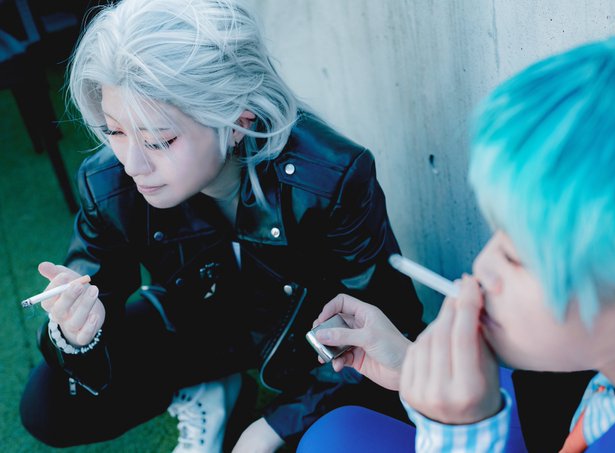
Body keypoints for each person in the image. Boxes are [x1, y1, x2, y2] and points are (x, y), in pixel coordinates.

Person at [18, 0, 425, 452]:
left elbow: (392, 321)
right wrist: (75, 334)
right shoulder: (107, 181)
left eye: (158, 140)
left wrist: (270, 428)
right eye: (114, 131)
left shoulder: (331, 176)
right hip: (196, 323)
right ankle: (210, 389)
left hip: (303, 346)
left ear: (236, 122)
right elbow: (94, 287)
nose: (132, 164)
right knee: (47, 405)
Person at [298, 9, 615, 452]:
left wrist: (461, 435)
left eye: (517, 257)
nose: (482, 266)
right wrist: (414, 366)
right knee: (335, 437)